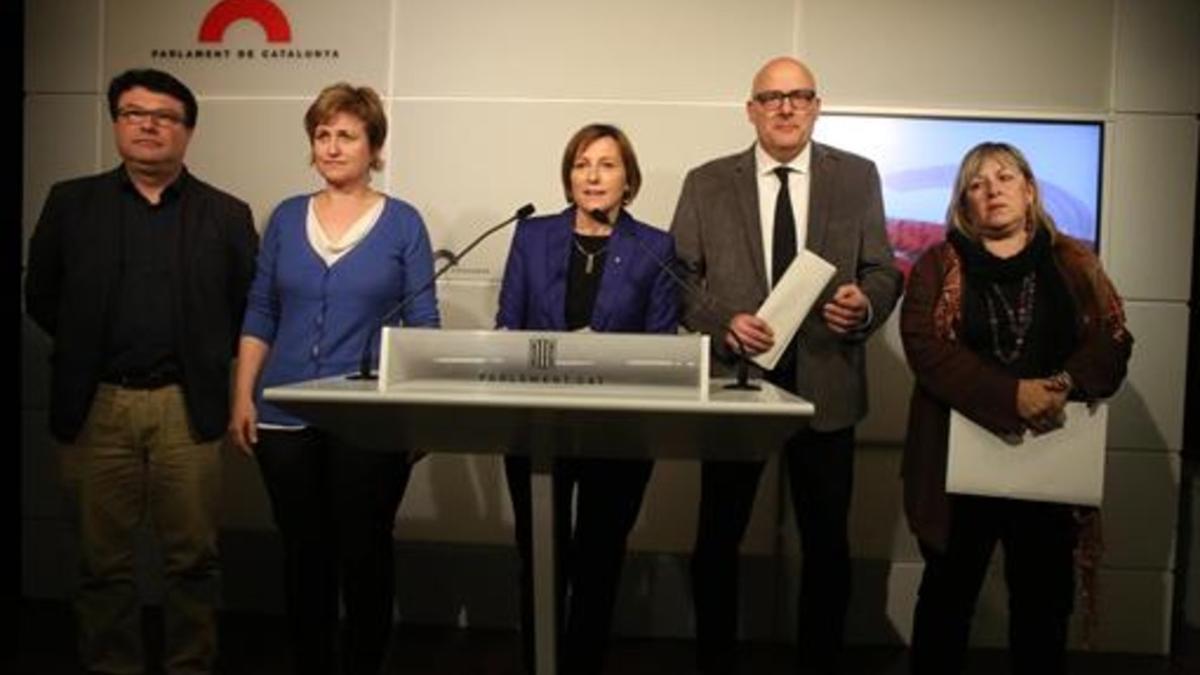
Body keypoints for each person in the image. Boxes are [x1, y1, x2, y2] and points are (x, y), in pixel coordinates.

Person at [670, 56, 902, 674]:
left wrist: (867, 302)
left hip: (828, 384)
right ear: (750, 110)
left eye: (799, 96)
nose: (785, 107)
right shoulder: (706, 181)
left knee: (827, 547)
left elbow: (883, 269)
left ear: (817, 106)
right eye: (771, 97)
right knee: (717, 542)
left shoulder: (857, 177)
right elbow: (680, 279)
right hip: (735, 384)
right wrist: (724, 322)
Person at [23, 68, 258, 674]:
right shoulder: (70, 203)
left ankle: (191, 665)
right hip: (97, 404)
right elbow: (41, 295)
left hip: (188, 405)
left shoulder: (227, 215)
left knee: (194, 562)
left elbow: (248, 305)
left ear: (188, 131)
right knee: (102, 565)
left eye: (164, 116)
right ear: (116, 123)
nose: (148, 124)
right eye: (133, 113)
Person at [227, 83, 440, 675]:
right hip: (283, 413)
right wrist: (243, 392)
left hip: (369, 418)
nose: (332, 146)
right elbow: (261, 311)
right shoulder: (286, 217)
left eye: (347, 135)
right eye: (322, 135)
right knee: (303, 555)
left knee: (366, 554)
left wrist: (416, 414)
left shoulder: (403, 223)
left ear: (374, 147)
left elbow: (423, 323)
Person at [900, 142, 1132, 674]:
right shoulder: (939, 264)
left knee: (1043, 608)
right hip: (955, 467)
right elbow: (925, 348)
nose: (993, 190)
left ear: (1029, 191)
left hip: (1049, 463)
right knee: (945, 604)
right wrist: (1013, 397)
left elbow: (1113, 342)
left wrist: (1062, 383)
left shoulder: (1074, 262)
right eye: (977, 184)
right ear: (965, 203)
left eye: (1005, 178)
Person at [496, 123, 678, 674]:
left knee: (600, 563)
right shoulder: (532, 235)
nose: (592, 176)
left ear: (629, 179)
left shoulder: (656, 247)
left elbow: (663, 345)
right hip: (536, 426)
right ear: (568, 176)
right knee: (541, 559)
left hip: (618, 429)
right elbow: (508, 325)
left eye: (606, 164)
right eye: (581, 164)